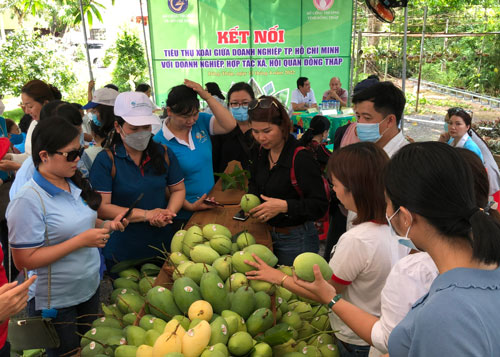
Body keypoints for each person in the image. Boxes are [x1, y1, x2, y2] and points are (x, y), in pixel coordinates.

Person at [246, 142, 408, 357]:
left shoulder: (357, 240)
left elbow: (324, 293)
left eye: (335, 184)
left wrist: (278, 277)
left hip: (355, 336)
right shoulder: (400, 227)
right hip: (379, 328)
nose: (332, 189)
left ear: (355, 189)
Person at [6, 117, 127, 356]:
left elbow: (84, 222)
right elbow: (24, 260)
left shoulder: (72, 185)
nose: (79, 158)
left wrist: (107, 224)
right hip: (57, 303)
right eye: (71, 154)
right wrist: (81, 241)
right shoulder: (28, 200)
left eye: (80, 150)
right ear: (44, 156)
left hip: (88, 289)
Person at [90, 91, 186, 267]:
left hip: (162, 245)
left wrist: (167, 214)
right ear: (118, 127)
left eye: (146, 127)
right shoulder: (106, 161)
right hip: (123, 251)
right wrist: (147, 215)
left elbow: (178, 189)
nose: (141, 133)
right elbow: (102, 208)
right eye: (134, 128)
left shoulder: (163, 153)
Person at [324, 81, 409, 260]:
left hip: (383, 259)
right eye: (358, 117)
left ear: (390, 120)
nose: (359, 124)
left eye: (367, 118)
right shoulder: (366, 153)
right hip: (357, 245)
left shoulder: (404, 162)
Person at [247, 96, 328, 265]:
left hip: (297, 239)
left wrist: (285, 206)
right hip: (266, 234)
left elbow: (319, 205)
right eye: (255, 131)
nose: (261, 137)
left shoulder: (300, 158)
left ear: (283, 126)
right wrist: (252, 203)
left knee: (295, 288)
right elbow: (254, 182)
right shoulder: (261, 152)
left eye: (267, 131)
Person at [153, 79, 236, 227]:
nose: (191, 120)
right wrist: (189, 206)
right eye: (185, 116)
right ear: (170, 111)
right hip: (181, 216)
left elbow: (230, 124)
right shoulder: (159, 142)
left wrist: (207, 96)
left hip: (209, 207)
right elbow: (164, 185)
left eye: (195, 114)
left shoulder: (201, 123)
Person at [9, 102, 84, 200]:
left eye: (79, 152)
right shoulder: (28, 177)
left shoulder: (65, 170)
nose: (77, 158)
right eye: (71, 154)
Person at [211, 82, 256, 174]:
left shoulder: (260, 130)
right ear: (229, 105)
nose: (240, 107)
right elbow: (215, 163)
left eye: (245, 103)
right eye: (235, 103)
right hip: (228, 185)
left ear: (253, 103)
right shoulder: (221, 131)